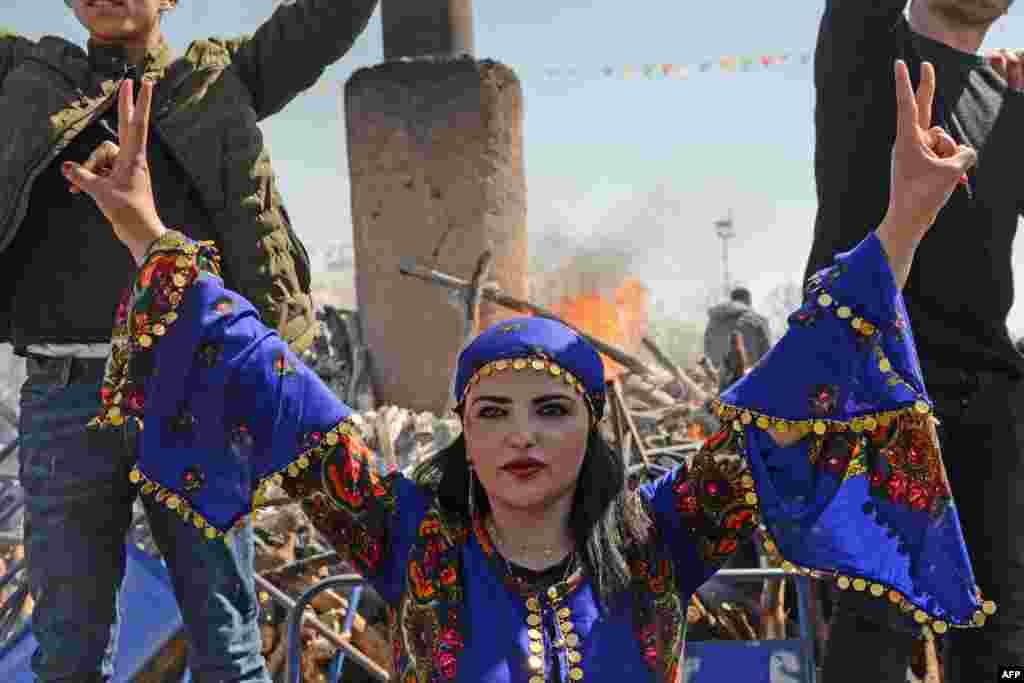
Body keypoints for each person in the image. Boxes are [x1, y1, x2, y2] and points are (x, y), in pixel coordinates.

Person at [70, 61, 988, 681]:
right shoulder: (413, 544)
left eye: (551, 409)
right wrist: (147, 232)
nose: (520, 433)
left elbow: (791, 396)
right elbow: (277, 389)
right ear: (462, 429)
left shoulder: (656, 540)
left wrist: (902, 225)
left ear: (593, 427)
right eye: (493, 411)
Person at [0, 0, 378, 680]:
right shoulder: (23, 77)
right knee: (67, 656)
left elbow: (324, 20)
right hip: (64, 397)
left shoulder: (215, 81)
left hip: (195, 391)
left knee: (227, 644)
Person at [805, 1, 1024, 679]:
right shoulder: (867, 50)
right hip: (873, 379)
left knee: (1004, 637)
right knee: (875, 630)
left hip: (987, 396)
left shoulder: (1010, 100)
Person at [703, 287, 772, 390]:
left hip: (719, 381)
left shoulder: (713, 322)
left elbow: (707, 349)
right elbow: (767, 355)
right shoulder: (757, 320)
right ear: (748, 301)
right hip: (749, 382)